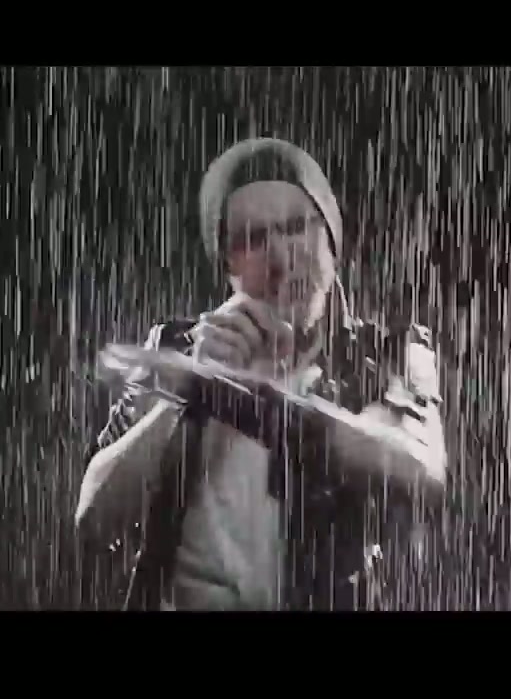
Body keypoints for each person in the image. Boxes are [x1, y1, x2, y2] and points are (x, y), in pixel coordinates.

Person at [74, 137, 448, 610]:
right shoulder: (175, 347)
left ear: (331, 242)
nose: (281, 259)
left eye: (296, 227)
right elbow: (93, 519)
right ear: (227, 265)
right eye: (252, 239)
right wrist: (188, 393)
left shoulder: (389, 351)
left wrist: (246, 399)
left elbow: (419, 470)